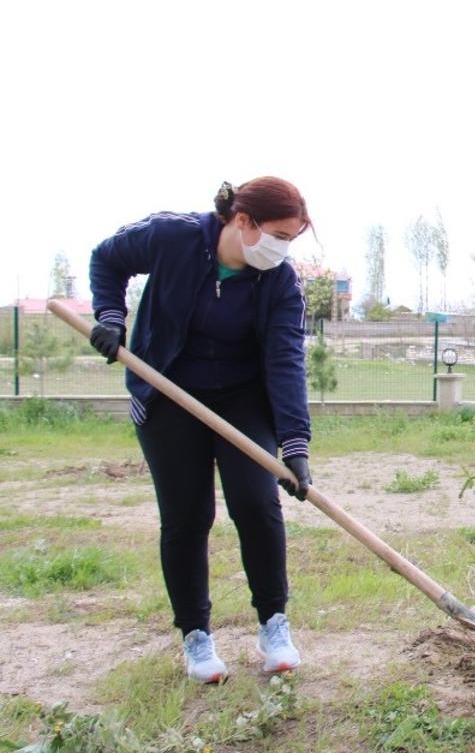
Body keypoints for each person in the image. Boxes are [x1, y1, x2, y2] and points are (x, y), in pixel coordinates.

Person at [89, 177, 315, 684]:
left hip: (242, 400)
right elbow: (106, 258)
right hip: (166, 392)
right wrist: (110, 317)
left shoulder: (280, 281)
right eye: (279, 236)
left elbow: (285, 360)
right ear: (243, 221)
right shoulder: (174, 237)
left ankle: (274, 625)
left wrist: (295, 443)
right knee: (187, 517)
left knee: (256, 504)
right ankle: (196, 636)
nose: (283, 249)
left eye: (291, 240)